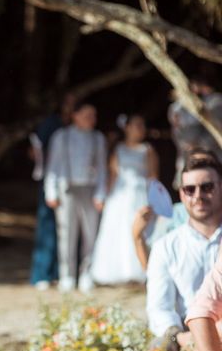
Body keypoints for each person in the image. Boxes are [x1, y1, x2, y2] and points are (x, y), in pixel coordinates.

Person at [146, 153, 222, 351]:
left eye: (207, 187)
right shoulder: (166, 246)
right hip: (187, 339)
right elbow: (159, 307)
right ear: (181, 194)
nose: (198, 196)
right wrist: (180, 337)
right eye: (190, 189)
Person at [44, 101, 107, 293]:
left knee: (90, 234)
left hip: (89, 188)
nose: (92, 120)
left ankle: (87, 273)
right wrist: (51, 191)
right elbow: (52, 166)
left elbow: (102, 167)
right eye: (87, 115)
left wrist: (101, 193)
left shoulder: (98, 138)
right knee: (67, 234)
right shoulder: (61, 137)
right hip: (67, 189)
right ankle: (67, 275)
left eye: (94, 116)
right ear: (76, 116)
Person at [90, 114, 159, 285]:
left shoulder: (147, 149)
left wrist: (155, 199)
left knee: (140, 229)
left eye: (142, 125)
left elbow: (153, 176)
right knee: (117, 231)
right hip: (120, 196)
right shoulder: (118, 149)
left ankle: (140, 270)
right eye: (137, 125)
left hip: (140, 194)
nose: (140, 129)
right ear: (127, 127)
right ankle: (116, 271)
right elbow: (113, 175)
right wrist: (105, 196)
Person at [29, 93, 76, 290]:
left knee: (67, 230)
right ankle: (41, 274)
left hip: (73, 185)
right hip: (51, 180)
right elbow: (35, 149)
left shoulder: (75, 128)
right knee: (47, 227)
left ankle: (60, 272)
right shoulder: (51, 124)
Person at [168, 73, 222, 188]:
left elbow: (215, 130)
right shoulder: (177, 108)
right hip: (187, 158)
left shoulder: (215, 102)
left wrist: (199, 146)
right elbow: (177, 132)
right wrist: (188, 145)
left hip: (213, 158)